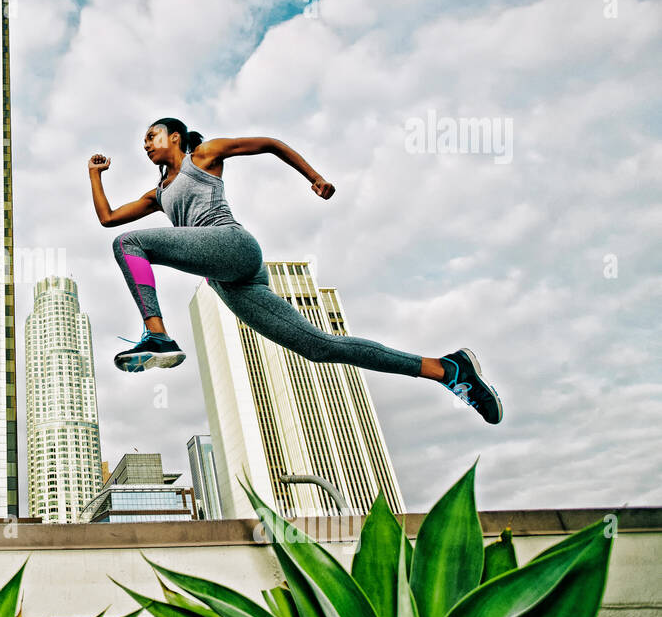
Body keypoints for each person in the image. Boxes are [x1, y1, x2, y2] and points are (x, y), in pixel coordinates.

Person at [88, 117, 503, 424]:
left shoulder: (204, 155)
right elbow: (108, 217)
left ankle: (157, 334)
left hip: (233, 246)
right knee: (319, 347)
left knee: (130, 244)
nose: (145, 145)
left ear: (174, 136)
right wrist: (95, 175)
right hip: (231, 281)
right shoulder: (159, 193)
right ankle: (447, 369)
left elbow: (269, 143)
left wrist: (315, 178)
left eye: (151, 136)